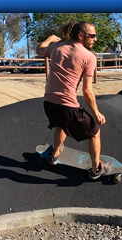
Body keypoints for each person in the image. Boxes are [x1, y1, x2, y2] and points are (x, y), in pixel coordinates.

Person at [36, 21, 107, 179]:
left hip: (49, 104)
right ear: (81, 36)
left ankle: (54, 155)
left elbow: (39, 50)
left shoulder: (56, 47)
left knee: (62, 124)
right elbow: (87, 90)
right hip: (67, 106)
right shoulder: (89, 57)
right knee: (95, 132)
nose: (95, 39)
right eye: (92, 36)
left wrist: (49, 39)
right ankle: (96, 170)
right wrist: (97, 113)